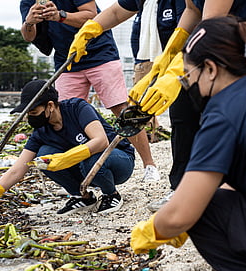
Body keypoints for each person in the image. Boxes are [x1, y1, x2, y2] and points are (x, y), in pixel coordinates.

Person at [130, 17, 246, 271]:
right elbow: (241, 184)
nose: (189, 86)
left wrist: (152, 230)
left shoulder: (224, 111)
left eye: (189, 76)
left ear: (212, 69)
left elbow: (181, 214)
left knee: (199, 209)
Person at [68, 0, 246, 211]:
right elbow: (192, 10)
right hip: (226, 29)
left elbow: (210, 26)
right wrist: (169, 54)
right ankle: (183, 187)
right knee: (184, 96)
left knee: (238, 99)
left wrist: (175, 71)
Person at [19, 0, 160, 182]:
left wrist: (60, 16)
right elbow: (28, 36)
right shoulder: (28, 2)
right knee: (64, 115)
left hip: (100, 53)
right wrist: (29, 22)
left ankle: (149, 165)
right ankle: (80, 173)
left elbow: (92, 15)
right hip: (66, 60)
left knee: (121, 109)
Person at [0, 79, 136, 227]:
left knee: (90, 156)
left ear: (50, 106)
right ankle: (82, 197)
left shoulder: (77, 108)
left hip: (117, 160)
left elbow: (101, 142)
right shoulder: (41, 132)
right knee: (43, 156)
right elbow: (17, 169)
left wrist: (65, 158)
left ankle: (111, 194)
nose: (29, 119)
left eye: (33, 113)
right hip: (85, 170)